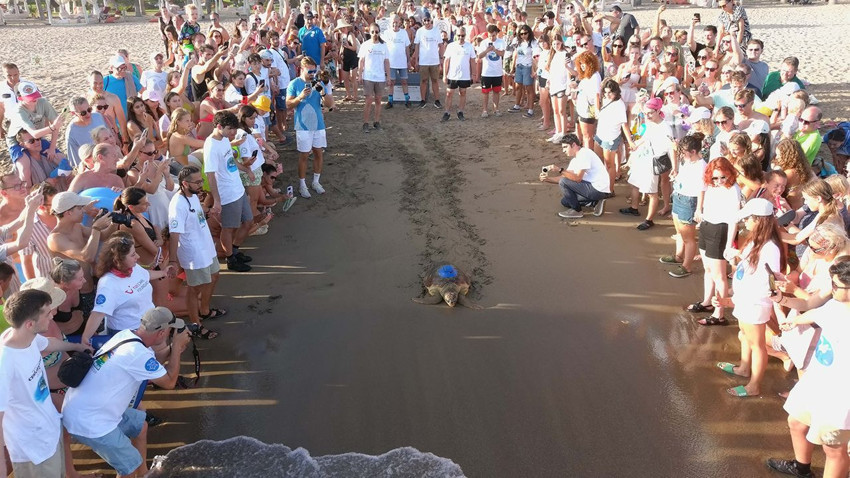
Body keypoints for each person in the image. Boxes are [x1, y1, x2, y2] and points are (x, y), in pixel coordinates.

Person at [62, 307, 190, 478]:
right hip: (90, 422)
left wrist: (175, 348)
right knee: (130, 467)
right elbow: (169, 382)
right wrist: (177, 349)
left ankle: (144, 474)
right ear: (161, 333)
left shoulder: (126, 336)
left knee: (140, 426)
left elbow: (152, 365)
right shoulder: (137, 354)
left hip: (84, 408)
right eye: (170, 331)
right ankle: (136, 471)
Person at [767, 258, 850, 478]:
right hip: (816, 380)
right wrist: (795, 321)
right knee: (796, 421)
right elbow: (814, 312)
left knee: (833, 449)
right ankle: (802, 468)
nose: (831, 289)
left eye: (836, 286)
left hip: (840, 395)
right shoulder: (836, 304)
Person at [0, 288, 88, 478]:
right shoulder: (4, 363)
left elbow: (48, 343)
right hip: (33, 449)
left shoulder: (24, 336)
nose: (52, 315)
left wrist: (76, 347)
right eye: (47, 313)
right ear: (30, 324)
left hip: (49, 429)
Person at [713, 198, 785, 397]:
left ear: (759, 220)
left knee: (757, 344)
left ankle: (754, 386)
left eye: (749, 219)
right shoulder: (756, 240)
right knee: (744, 335)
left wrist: (748, 299)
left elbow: (770, 279)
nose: (746, 222)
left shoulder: (770, 247)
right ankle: (744, 368)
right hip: (745, 297)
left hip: (755, 301)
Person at [79, 231, 174, 346]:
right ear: (118, 260)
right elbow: (98, 313)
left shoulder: (133, 268)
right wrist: (86, 338)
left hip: (149, 325)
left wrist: (163, 273)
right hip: (128, 334)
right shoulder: (108, 284)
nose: (137, 257)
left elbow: (145, 275)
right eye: (133, 255)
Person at [168, 166, 223, 339]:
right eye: (197, 181)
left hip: (206, 247)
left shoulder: (192, 196)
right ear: (185, 183)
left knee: (214, 276)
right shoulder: (177, 204)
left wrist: (208, 211)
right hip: (194, 254)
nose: (201, 184)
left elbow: (197, 215)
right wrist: (173, 261)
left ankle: (204, 310)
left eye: (201, 180)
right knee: (195, 289)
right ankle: (195, 325)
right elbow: (174, 234)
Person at [620, 97, 675, 231]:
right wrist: (636, 145)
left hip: (654, 160)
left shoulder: (665, 127)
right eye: (645, 113)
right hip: (644, 156)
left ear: (658, 111)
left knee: (652, 192)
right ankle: (634, 208)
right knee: (635, 183)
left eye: (650, 113)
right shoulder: (650, 123)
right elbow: (646, 137)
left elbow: (672, 147)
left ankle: (649, 220)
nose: (647, 115)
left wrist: (675, 167)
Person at [286, 57, 334, 199]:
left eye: (314, 70)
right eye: (310, 70)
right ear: (302, 68)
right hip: (303, 125)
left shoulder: (318, 83)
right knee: (304, 155)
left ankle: (315, 182)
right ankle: (302, 185)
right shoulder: (294, 84)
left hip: (318, 124)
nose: (313, 73)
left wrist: (323, 93)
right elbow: (288, 105)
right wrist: (300, 97)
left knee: (319, 153)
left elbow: (330, 104)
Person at [660, 134, 707, 279]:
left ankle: (687, 266)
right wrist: (676, 175)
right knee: (680, 232)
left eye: (684, 151)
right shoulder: (687, 161)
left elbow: (702, 189)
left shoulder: (702, 166)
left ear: (693, 151)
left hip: (690, 201)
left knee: (689, 238)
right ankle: (679, 256)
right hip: (679, 196)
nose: (681, 154)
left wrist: (699, 209)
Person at [539, 133, 610, 219]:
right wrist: (547, 179)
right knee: (565, 201)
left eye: (565, 147)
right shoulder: (575, 160)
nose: (563, 150)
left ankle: (577, 211)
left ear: (573, 145)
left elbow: (577, 179)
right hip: (592, 187)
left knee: (564, 183)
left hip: (598, 189)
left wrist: (559, 170)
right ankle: (595, 202)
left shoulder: (584, 154)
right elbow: (566, 177)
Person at [359, 23, 391, 132]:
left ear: (379, 32)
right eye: (372, 32)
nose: (374, 34)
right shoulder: (365, 45)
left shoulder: (384, 45)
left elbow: (386, 62)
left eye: (376, 32)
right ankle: (365, 123)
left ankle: (377, 122)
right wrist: (360, 74)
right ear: (369, 32)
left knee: (378, 100)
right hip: (368, 76)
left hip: (380, 77)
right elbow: (361, 61)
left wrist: (388, 76)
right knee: (368, 100)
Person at [441, 27, 476, 122]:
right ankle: (447, 112)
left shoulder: (469, 46)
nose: (461, 37)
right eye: (459, 35)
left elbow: (472, 61)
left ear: (465, 35)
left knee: (463, 92)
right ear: (456, 35)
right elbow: (446, 61)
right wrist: (445, 74)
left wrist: (474, 74)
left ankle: (460, 112)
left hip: (464, 75)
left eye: (463, 35)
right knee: (449, 93)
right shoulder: (451, 46)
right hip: (452, 75)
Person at [65, 96, 108, 169]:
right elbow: (76, 162)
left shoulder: (98, 116)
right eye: (83, 113)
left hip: (109, 157)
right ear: (73, 113)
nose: (88, 114)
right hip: (94, 168)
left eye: (89, 109)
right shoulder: (71, 132)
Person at [413, 12, 444, 109]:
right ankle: (422, 100)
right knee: (423, 81)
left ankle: (437, 100)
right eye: (425, 20)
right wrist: (417, 60)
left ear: (431, 20)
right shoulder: (420, 31)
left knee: (435, 80)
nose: (427, 22)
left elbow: (441, 45)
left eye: (428, 20)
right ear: (422, 21)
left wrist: (441, 58)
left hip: (434, 61)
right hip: (423, 61)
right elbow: (417, 46)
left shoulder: (436, 31)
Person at [382, 15, 412, 109]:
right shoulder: (386, 33)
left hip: (402, 62)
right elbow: (383, 47)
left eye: (396, 22)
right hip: (391, 63)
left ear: (399, 22)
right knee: (391, 82)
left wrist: (408, 60)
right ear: (391, 22)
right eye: (393, 22)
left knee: (404, 81)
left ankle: (407, 100)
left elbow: (407, 47)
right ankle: (390, 101)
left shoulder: (404, 33)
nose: (395, 24)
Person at [477, 24, 505, 118]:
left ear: (496, 33)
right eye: (489, 36)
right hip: (486, 72)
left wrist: (495, 50)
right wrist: (487, 51)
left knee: (496, 91)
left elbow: (502, 54)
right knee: (485, 92)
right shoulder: (484, 42)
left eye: (493, 35)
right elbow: (479, 56)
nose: (491, 38)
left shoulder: (501, 42)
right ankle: (484, 110)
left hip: (497, 72)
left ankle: (496, 109)